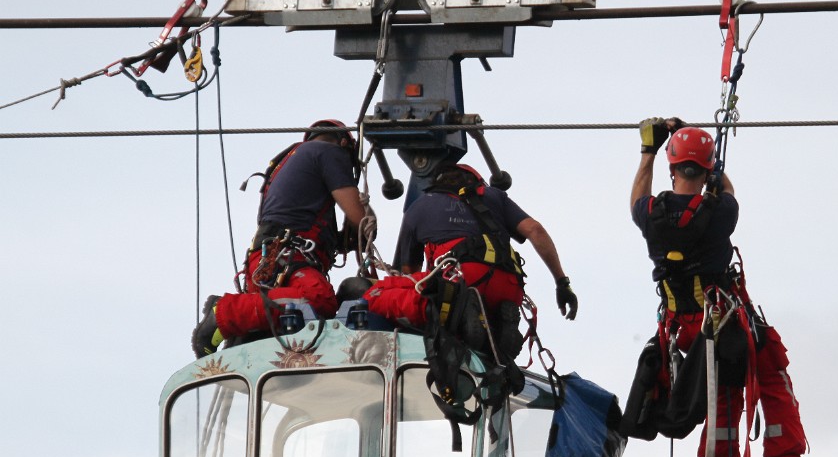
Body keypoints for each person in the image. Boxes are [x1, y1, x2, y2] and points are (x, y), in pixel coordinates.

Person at [630, 117, 825, 457]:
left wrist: (648, 149)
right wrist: (714, 165)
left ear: (671, 168)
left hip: (685, 331)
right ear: (704, 170)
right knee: (772, 382)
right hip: (725, 321)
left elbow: (636, 198)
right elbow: (728, 189)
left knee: (724, 401)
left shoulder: (651, 216)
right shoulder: (720, 213)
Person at [191, 119, 368, 357]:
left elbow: (334, 237)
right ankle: (224, 312)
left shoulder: (293, 163)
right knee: (319, 299)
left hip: (271, 258)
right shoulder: (329, 152)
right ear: (344, 142)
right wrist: (364, 212)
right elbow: (361, 221)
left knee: (284, 331)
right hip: (287, 257)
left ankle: (237, 324)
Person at [365, 163, 577, 359]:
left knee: (376, 294)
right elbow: (535, 230)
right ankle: (492, 324)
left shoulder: (419, 207)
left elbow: (408, 273)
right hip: (509, 287)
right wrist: (562, 283)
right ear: (477, 182)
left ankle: (462, 317)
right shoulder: (495, 196)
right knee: (476, 308)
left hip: (458, 281)